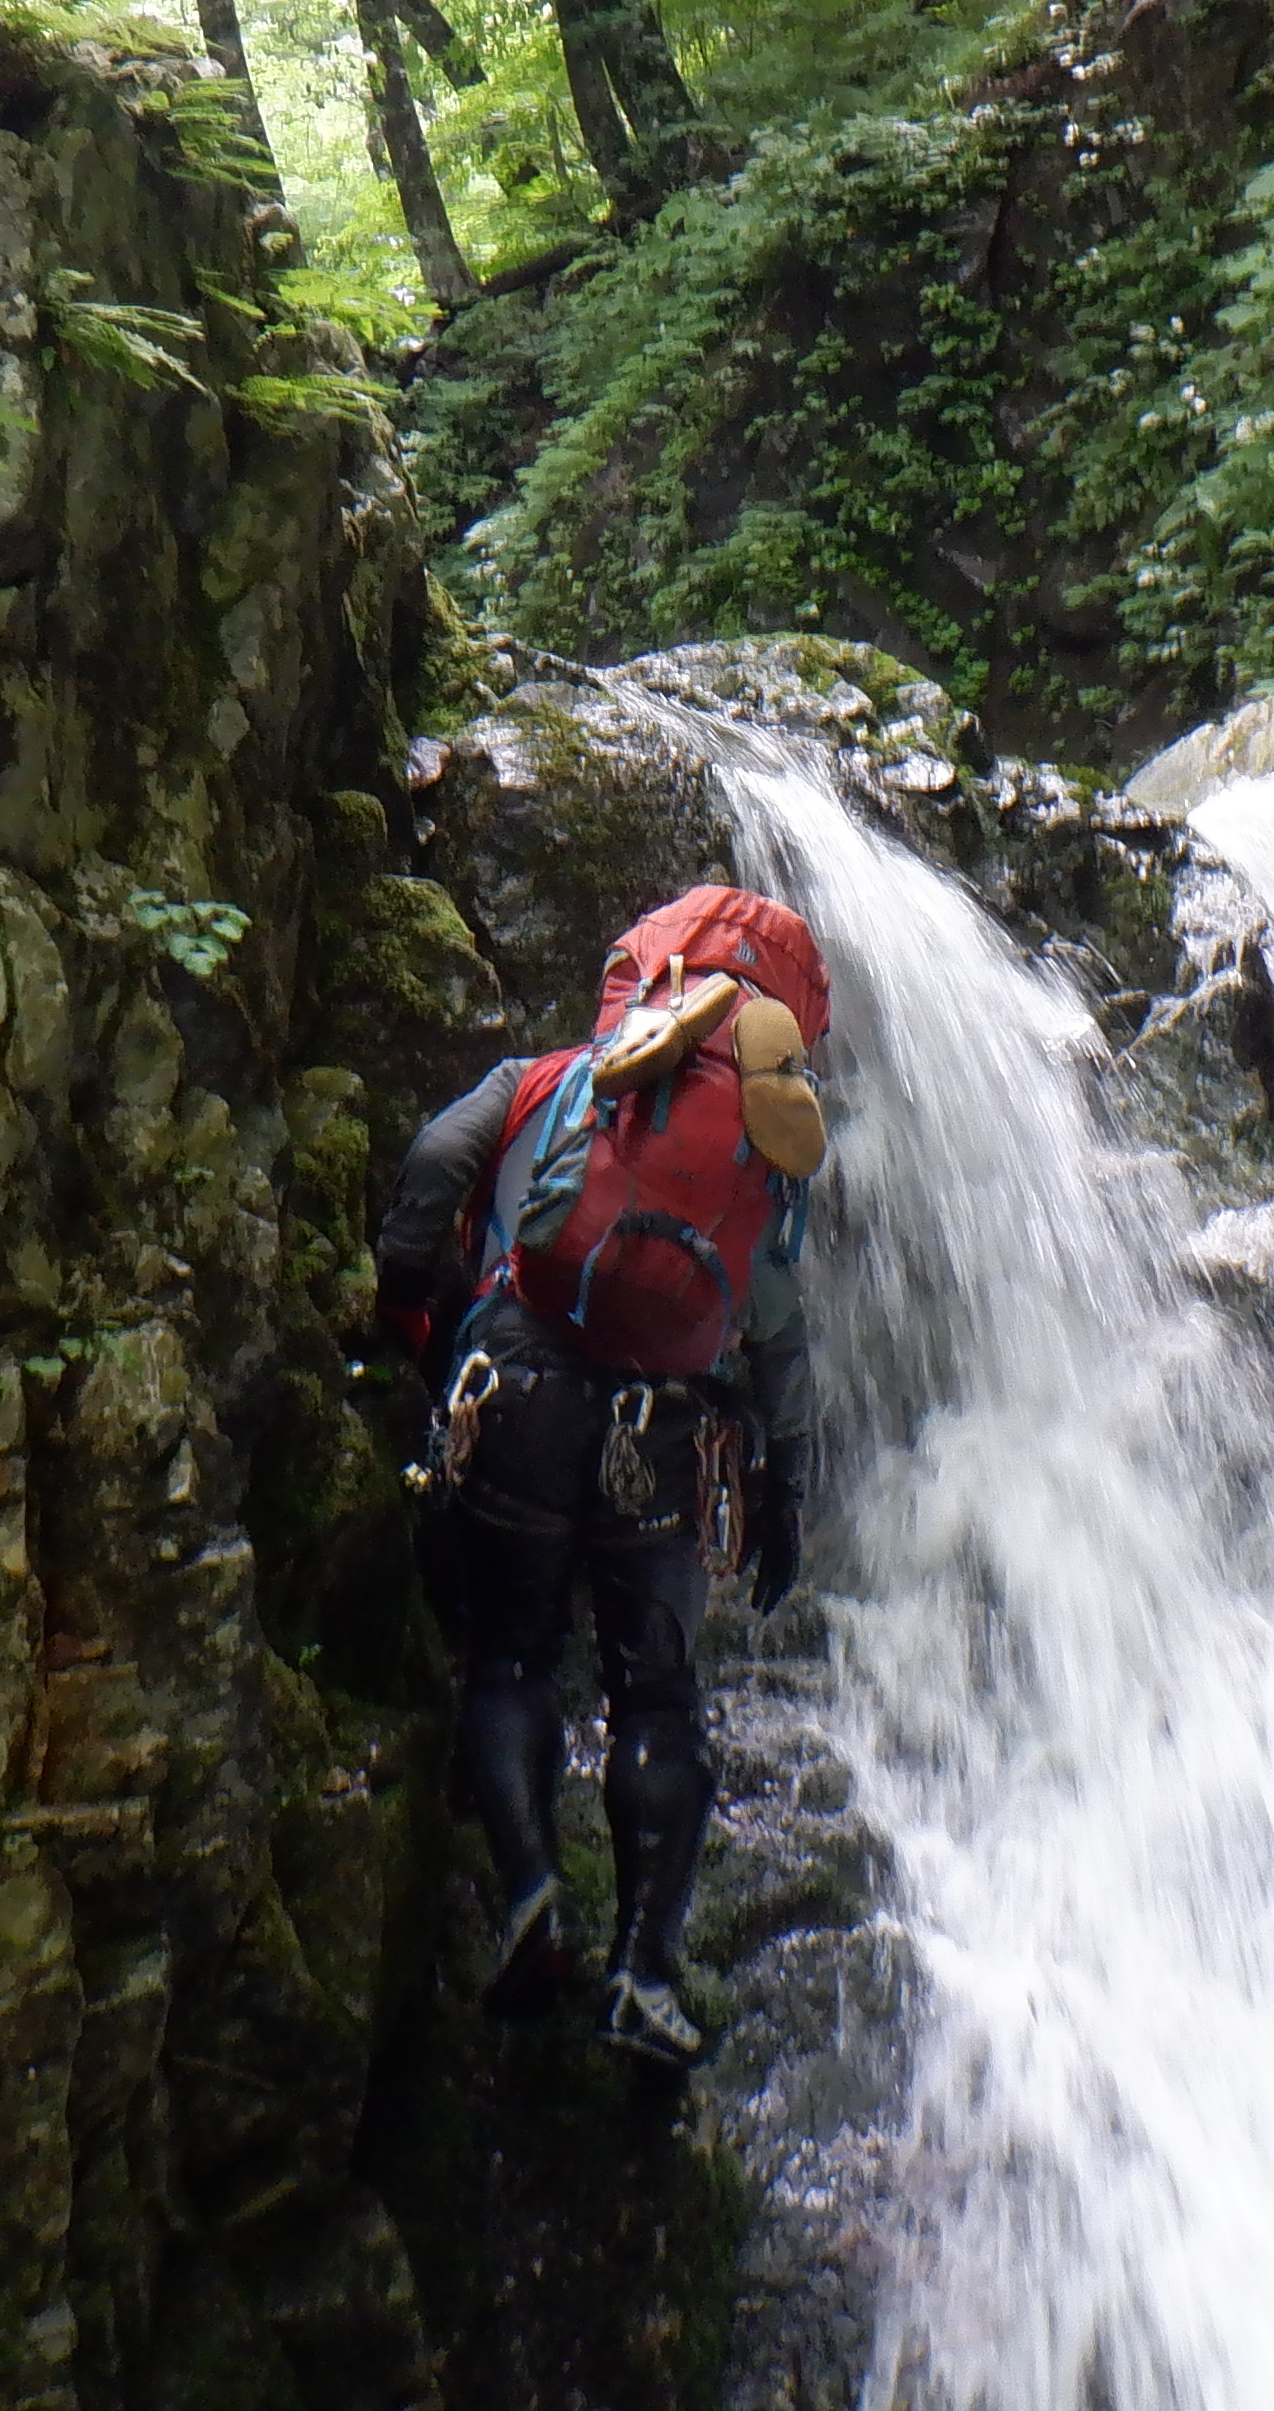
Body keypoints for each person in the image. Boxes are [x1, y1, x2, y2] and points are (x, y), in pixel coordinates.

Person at [373, 883, 831, 2069]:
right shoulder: (758, 1161)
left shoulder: (549, 1082)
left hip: (517, 1387)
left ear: (639, 981)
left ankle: (529, 1895)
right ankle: (643, 1972)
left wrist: (409, 1310)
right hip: (663, 1440)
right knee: (657, 1702)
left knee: (512, 1651)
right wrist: (783, 1488)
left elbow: (432, 1170)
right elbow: (776, 1331)